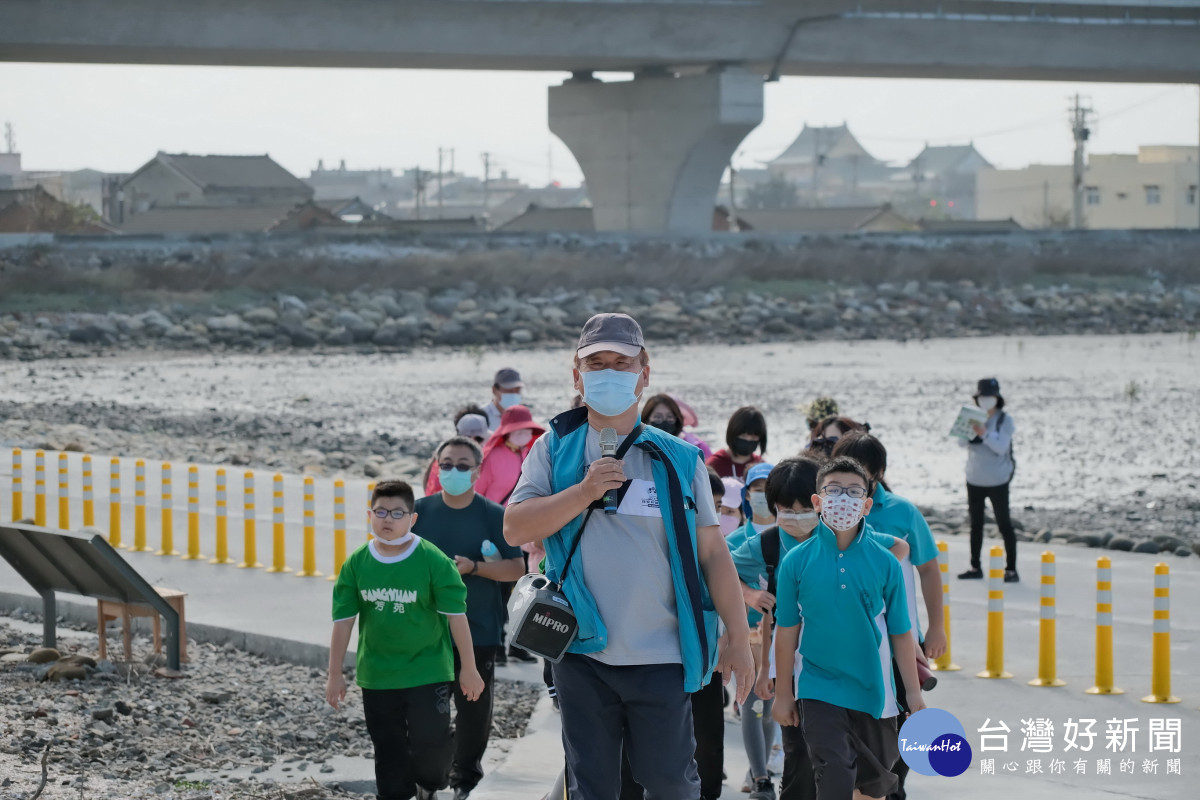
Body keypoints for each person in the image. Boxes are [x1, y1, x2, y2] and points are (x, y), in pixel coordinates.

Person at [504, 311, 754, 800]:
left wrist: (739, 639)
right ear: (577, 375)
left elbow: (713, 553)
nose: (609, 371)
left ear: (644, 373)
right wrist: (582, 491)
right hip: (580, 651)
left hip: (661, 655)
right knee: (592, 787)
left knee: (669, 783)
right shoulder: (553, 448)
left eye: (622, 361)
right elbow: (516, 527)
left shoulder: (680, 458)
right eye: (596, 362)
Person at [737, 458, 908, 800]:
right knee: (829, 772)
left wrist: (914, 692)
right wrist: (782, 691)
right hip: (815, 685)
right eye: (833, 491)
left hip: (873, 690)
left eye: (853, 492)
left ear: (867, 503)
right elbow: (785, 630)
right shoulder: (791, 558)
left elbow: (900, 627)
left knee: (872, 786)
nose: (843, 499)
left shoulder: (881, 558)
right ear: (820, 501)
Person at [326, 480, 485, 800]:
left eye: (397, 513)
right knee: (387, 747)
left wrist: (469, 667)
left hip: (427, 671)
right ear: (369, 514)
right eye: (381, 511)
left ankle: (431, 782)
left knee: (432, 744)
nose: (388, 519)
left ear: (412, 519)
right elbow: (343, 622)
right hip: (377, 673)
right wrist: (334, 674)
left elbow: (456, 616)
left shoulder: (432, 560)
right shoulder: (357, 562)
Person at [831, 431, 944, 800]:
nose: (851, 480)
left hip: (900, 633)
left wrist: (937, 627)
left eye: (861, 472)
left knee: (905, 713)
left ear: (877, 474)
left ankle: (894, 786)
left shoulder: (901, 512)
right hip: (846, 636)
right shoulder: (827, 509)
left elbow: (928, 568)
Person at [413, 440, 527, 799]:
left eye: (463, 465)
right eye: (447, 464)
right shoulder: (418, 513)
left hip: (478, 630)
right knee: (425, 713)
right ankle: (428, 779)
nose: (454, 471)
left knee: (473, 711)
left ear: (478, 471)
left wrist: (475, 568)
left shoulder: (494, 515)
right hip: (425, 633)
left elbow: (515, 569)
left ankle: (466, 780)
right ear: (436, 467)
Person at [957, 377, 1019, 583]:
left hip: (998, 480)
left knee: (1004, 524)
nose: (986, 400)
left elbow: (1001, 447)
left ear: (997, 398)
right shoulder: (972, 416)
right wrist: (967, 428)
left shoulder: (1004, 420)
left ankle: (1011, 569)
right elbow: (960, 443)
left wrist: (983, 434)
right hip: (974, 477)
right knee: (976, 524)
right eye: (983, 396)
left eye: (990, 397)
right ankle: (975, 566)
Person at [475, 405, 547, 506]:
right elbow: (477, 491)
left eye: (527, 430)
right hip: (492, 517)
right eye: (518, 431)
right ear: (507, 433)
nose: (523, 434)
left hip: (522, 518)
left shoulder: (532, 455)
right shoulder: (491, 456)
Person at [423, 406, 491, 496]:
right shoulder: (473, 459)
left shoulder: (442, 453)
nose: (476, 443)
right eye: (478, 439)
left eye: (479, 439)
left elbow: (427, 483)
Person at [642, 392, 712, 459]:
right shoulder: (637, 449)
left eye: (669, 417)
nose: (664, 422)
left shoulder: (695, 448)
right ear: (646, 419)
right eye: (657, 417)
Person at [707, 406, 768, 480]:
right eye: (743, 436)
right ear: (732, 433)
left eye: (753, 437)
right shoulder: (715, 465)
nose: (748, 440)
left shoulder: (761, 467)